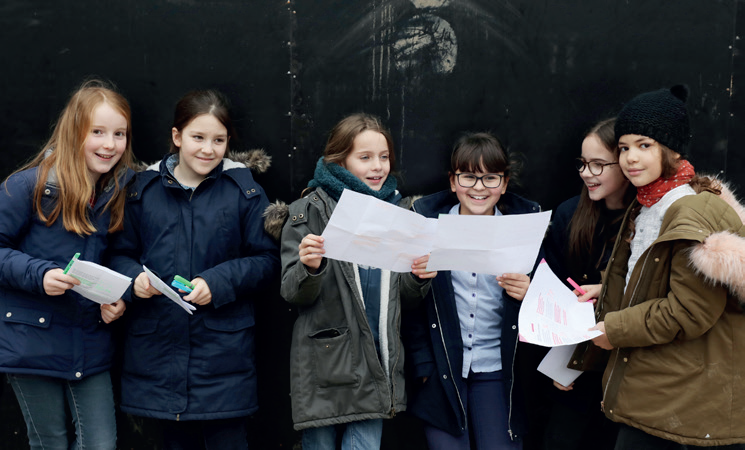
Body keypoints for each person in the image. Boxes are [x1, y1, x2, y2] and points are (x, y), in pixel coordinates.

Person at [109, 89, 280, 450]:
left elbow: (267, 260)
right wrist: (134, 281)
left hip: (223, 363)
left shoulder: (243, 191)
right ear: (176, 137)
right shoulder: (143, 190)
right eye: (197, 137)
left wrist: (217, 282)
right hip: (157, 359)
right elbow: (118, 253)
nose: (208, 149)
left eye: (218, 140)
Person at [580, 86, 745, 449]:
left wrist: (615, 330)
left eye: (644, 145)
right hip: (660, 385)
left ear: (671, 150)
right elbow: (654, 274)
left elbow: (690, 310)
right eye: (623, 148)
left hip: (685, 394)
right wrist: (607, 288)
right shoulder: (648, 203)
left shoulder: (687, 209)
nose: (630, 158)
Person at [275, 113, 434, 450]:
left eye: (384, 156)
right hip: (325, 367)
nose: (377, 166)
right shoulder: (309, 210)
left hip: (376, 361)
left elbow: (402, 298)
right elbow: (291, 291)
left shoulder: (400, 212)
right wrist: (310, 267)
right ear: (340, 160)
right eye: (365, 158)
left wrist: (418, 279)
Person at [0, 79, 133, 449]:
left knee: (100, 444)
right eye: (98, 132)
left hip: (89, 343)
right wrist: (39, 274)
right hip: (32, 341)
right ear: (75, 132)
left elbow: (118, 259)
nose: (110, 144)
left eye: (119, 133)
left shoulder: (117, 193)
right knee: (51, 445)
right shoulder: (27, 186)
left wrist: (118, 298)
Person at [403, 132, 541, 450]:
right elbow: (410, 308)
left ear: (504, 184)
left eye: (490, 178)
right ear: (453, 182)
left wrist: (531, 293)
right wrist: (424, 367)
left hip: (496, 369)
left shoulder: (524, 233)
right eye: (469, 177)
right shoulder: (427, 228)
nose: (479, 188)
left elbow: (551, 305)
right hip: (442, 371)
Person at [540, 118, 634, 450]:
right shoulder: (569, 214)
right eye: (582, 164)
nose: (586, 173)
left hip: (627, 368)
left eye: (598, 164)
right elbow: (552, 287)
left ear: (625, 165)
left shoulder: (647, 220)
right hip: (575, 365)